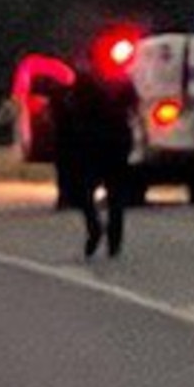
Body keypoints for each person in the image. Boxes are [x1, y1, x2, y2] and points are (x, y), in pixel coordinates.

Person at [53, 56, 138, 258]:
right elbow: (132, 106)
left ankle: (95, 227)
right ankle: (114, 241)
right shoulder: (119, 86)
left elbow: (66, 123)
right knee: (116, 196)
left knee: (84, 194)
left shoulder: (79, 91)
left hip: (90, 149)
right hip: (116, 145)